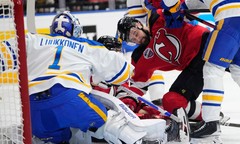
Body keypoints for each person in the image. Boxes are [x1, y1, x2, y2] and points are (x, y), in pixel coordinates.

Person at [1, 11, 183, 144]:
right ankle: (149, 139)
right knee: (110, 122)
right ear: (76, 30)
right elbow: (124, 72)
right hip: (70, 97)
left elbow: (3, 55)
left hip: (32, 107)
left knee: (58, 139)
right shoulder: (87, 45)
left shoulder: (32, 40)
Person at [117, 0, 210, 123]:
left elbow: (182, 6)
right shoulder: (140, 57)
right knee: (171, 101)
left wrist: (174, 8)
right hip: (196, 66)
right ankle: (210, 116)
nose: (137, 39)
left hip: (209, 44)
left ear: (139, 24)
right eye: (132, 39)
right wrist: (126, 102)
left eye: (135, 33)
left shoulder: (158, 17)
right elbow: (137, 85)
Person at [183, 0, 240, 144]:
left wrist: (175, 8)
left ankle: (210, 123)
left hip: (233, 15)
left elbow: (179, 4)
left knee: (212, 69)